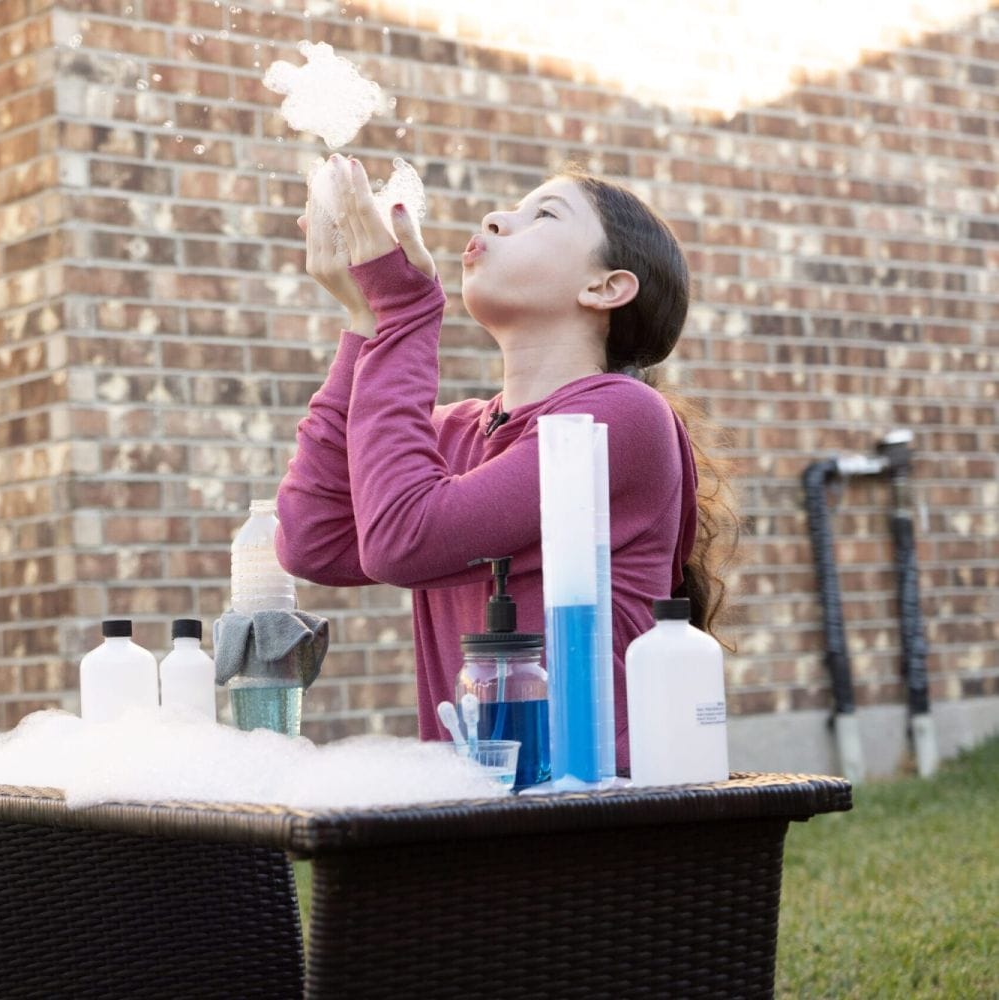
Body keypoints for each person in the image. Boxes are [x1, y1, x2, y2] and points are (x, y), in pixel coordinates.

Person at [274, 154, 736, 771]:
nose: (495, 219)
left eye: (542, 214)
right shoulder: (455, 433)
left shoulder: (621, 419)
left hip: (598, 811)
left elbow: (404, 541)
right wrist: (365, 324)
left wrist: (406, 316)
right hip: (474, 814)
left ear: (605, 288)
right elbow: (314, 541)